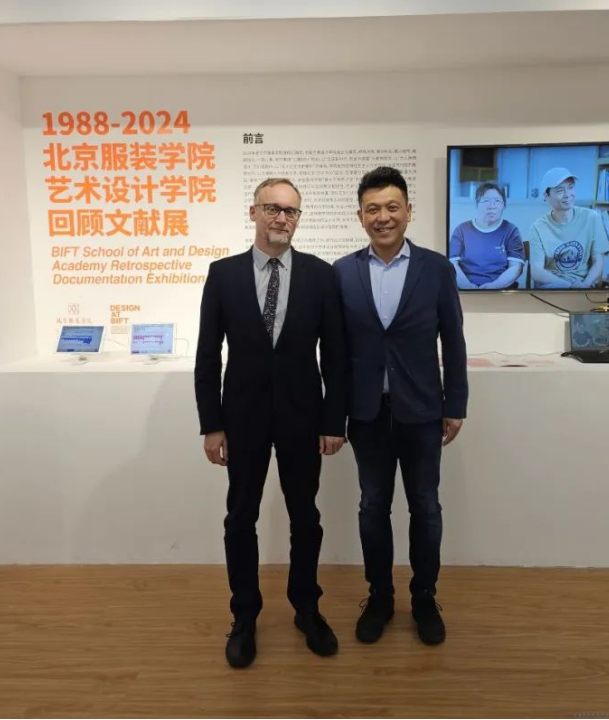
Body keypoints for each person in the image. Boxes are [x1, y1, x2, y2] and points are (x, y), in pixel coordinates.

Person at [194, 178, 348, 669]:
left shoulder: (321, 276)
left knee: (306, 517)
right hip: (241, 418)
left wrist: (334, 420)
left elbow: (336, 356)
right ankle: (244, 616)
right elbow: (207, 356)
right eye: (273, 209)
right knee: (241, 517)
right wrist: (211, 424)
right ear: (254, 212)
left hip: (304, 418)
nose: (282, 218)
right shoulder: (223, 275)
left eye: (291, 211)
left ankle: (307, 608)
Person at [333, 166, 468, 647]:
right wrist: (333, 415)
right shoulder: (342, 272)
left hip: (423, 411)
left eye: (392, 207)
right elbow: (334, 352)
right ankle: (380, 596)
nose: (383, 217)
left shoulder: (436, 268)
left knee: (425, 507)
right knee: (372, 507)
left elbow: (453, 339)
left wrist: (456, 403)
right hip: (366, 413)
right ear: (360, 217)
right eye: (372, 209)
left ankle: (424, 597)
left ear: (409, 211)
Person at [528, 167, 609, 289]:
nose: (568, 195)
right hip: (553, 285)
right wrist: (569, 286)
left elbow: (598, 261)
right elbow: (536, 272)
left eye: (571, 187)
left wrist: (586, 283)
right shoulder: (538, 228)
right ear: (546, 196)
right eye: (560, 190)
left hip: (584, 285)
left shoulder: (592, 218)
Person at [449, 182, 526, 289]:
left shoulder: (511, 230)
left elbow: (516, 268)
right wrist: (468, 287)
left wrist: (494, 286)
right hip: (466, 290)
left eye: (497, 201)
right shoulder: (461, 230)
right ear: (477, 203)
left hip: (501, 291)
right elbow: (452, 264)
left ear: (503, 205)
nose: (492, 206)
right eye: (486, 201)